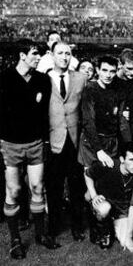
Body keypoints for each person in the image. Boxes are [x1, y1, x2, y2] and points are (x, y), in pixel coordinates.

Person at [0, 39, 57, 260]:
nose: (38, 57)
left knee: (36, 186)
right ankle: (15, 239)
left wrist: (44, 140)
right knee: (13, 190)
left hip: (35, 144)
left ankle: (41, 234)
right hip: (10, 144)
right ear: (22, 55)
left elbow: (44, 114)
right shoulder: (4, 78)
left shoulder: (42, 80)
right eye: (34, 53)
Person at [45, 42, 87, 245]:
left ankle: (78, 227)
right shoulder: (44, 79)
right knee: (53, 187)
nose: (64, 57)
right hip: (53, 141)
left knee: (76, 187)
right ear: (51, 55)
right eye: (60, 53)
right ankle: (52, 228)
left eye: (68, 53)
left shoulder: (81, 78)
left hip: (74, 140)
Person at [84, 142, 133, 252]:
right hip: (105, 202)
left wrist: (129, 238)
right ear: (122, 159)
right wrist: (94, 195)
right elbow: (88, 174)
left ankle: (113, 226)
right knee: (103, 209)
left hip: (122, 209)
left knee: (126, 238)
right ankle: (102, 229)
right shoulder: (109, 165)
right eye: (131, 159)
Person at [78, 55, 130, 169]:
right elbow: (88, 122)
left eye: (112, 71)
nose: (108, 75)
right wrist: (99, 150)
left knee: (108, 181)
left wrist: (128, 146)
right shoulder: (90, 90)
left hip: (111, 142)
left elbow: (121, 121)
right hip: (92, 142)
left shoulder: (118, 90)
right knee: (91, 178)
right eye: (104, 70)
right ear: (97, 70)